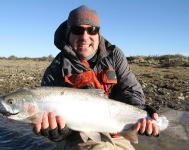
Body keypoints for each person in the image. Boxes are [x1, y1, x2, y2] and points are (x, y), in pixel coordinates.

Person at [33, 5, 159, 150]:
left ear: (98, 33)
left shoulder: (115, 55)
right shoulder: (56, 68)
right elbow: (55, 129)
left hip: (117, 130)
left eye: (92, 30)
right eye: (77, 30)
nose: (85, 37)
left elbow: (130, 89)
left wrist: (142, 112)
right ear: (69, 33)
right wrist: (56, 132)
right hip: (76, 135)